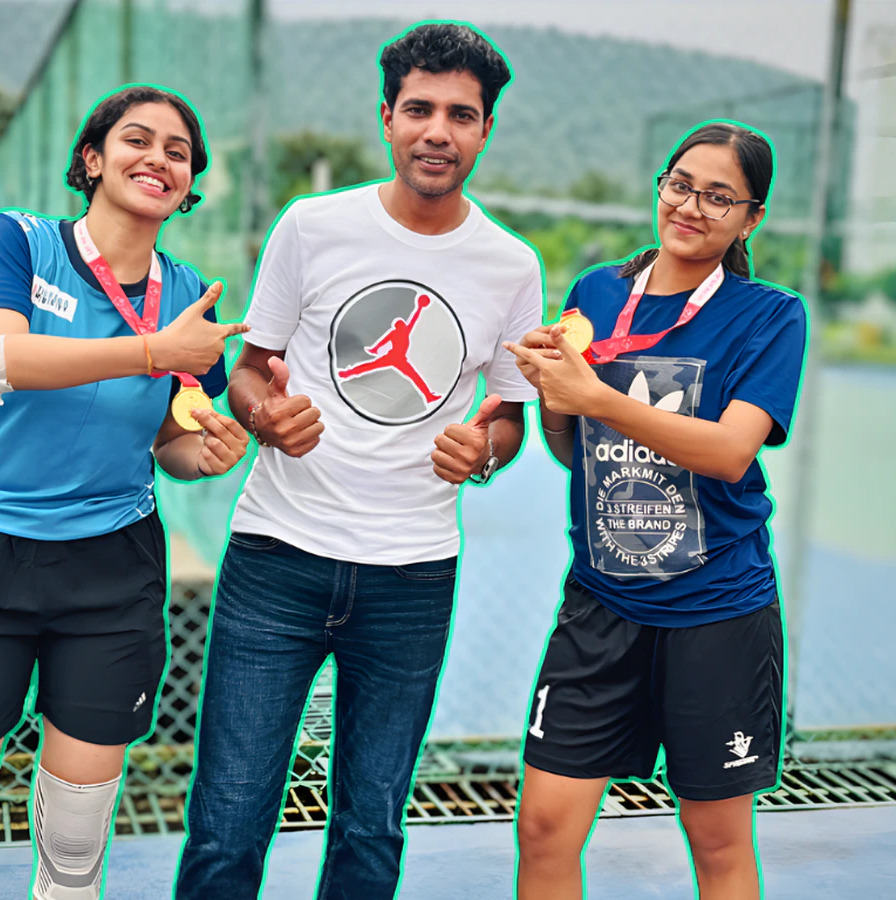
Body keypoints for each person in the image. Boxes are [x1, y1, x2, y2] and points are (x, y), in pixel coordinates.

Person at [174, 23, 542, 900]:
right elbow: (250, 372)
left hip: (412, 577)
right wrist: (266, 417)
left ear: (484, 131)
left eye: (461, 114)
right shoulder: (313, 226)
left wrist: (480, 451)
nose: (437, 131)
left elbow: (509, 425)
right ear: (387, 117)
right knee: (229, 820)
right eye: (419, 109)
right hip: (277, 561)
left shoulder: (510, 266)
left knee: (371, 826)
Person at [0, 85, 250, 900]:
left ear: (189, 187)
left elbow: (166, 441)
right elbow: (1, 360)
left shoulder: (190, 300)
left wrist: (204, 451)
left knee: (74, 857)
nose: (156, 157)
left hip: (108, 572)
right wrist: (154, 350)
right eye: (136, 139)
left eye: (177, 152)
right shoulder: (16, 239)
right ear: (92, 159)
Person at [505, 121, 807, 900]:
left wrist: (597, 394)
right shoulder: (598, 294)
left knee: (715, 843)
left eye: (719, 197)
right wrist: (554, 393)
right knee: (541, 826)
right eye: (681, 185)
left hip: (716, 613)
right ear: (660, 187)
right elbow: (577, 451)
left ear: (752, 217)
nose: (693, 207)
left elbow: (731, 452)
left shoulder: (771, 316)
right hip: (602, 605)